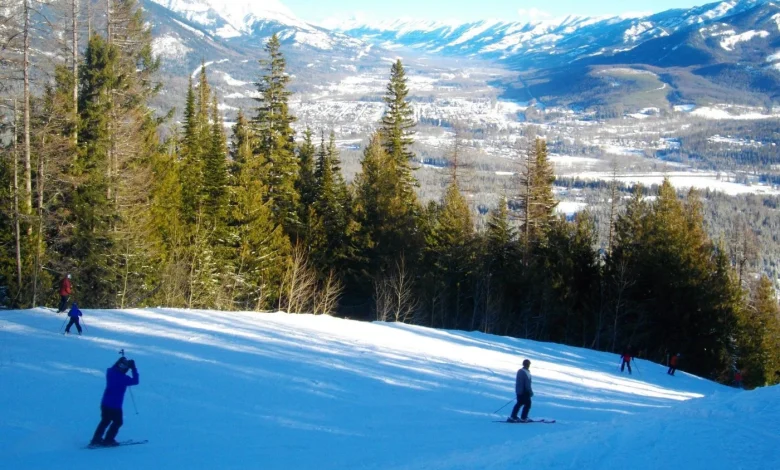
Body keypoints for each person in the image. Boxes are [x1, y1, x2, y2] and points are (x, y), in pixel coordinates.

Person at [90, 357, 140, 446]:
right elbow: (135, 381)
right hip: (115, 406)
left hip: (105, 403)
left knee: (105, 421)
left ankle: (96, 439)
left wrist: (122, 363)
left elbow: (111, 368)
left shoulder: (110, 373)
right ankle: (108, 440)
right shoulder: (124, 378)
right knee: (118, 422)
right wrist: (133, 368)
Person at [508, 359, 534, 423]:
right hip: (525, 392)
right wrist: (530, 392)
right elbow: (527, 384)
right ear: (528, 365)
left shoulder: (519, 371)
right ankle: (523, 417)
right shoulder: (526, 372)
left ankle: (513, 416)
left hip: (519, 391)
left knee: (519, 403)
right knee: (528, 404)